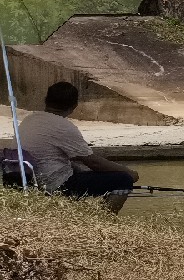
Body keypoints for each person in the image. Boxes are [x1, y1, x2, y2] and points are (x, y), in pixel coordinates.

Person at [18, 81, 138, 213]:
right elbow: (94, 163)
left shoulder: (28, 120)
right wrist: (129, 172)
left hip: (29, 181)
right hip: (54, 185)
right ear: (74, 105)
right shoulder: (63, 126)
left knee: (80, 169)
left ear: (46, 100)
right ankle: (105, 219)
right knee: (123, 180)